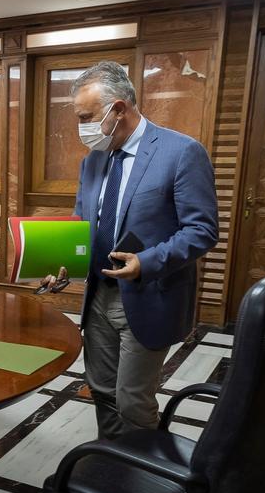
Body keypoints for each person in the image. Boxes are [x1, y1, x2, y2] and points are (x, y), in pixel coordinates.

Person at [39, 61, 218, 439]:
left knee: (133, 398)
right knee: (102, 389)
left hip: (148, 295)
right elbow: (81, 219)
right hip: (99, 296)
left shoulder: (181, 152)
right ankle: (111, 459)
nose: (82, 127)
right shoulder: (93, 160)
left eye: (87, 117)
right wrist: (63, 260)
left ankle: (140, 477)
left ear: (119, 108)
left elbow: (202, 230)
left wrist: (146, 263)